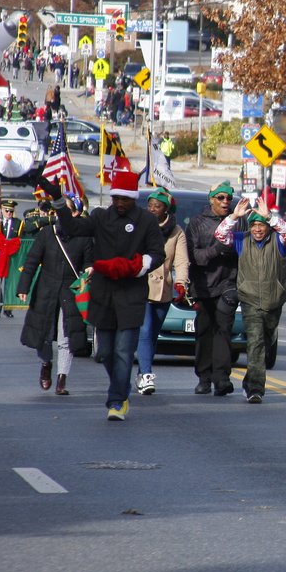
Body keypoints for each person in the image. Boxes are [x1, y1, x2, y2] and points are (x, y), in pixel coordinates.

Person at [40, 171, 165, 421]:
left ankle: (117, 400)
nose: (120, 203)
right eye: (116, 198)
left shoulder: (146, 221)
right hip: (104, 294)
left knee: (123, 351)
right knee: (106, 351)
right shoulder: (100, 216)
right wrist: (57, 200)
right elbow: (73, 227)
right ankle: (121, 387)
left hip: (131, 293)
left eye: (125, 199)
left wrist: (139, 266)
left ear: (134, 198)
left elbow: (157, 253)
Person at [215, 196, 286, 403]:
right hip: (249, 299)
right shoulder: (242, 240)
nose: (258, 229)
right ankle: (256, 390)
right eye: (255, 225)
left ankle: (250, 380)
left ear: (268, 227)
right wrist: (234, 216)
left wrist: (270, 216)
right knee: (255, 343)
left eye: (262, 225)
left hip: (273, 300)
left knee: (265, 345)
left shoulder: (278, 240)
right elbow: (220, 235)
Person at [17, 194, 93, 395]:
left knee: (66, 335)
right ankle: (46, 365)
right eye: (59, 211)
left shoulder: (84, 237)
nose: (61, 215)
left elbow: (88, 261)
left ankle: (62, 378)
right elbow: (32, 260)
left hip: (71, 291)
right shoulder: (47, 234)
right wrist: (23, 288)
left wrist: (89, 270)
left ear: (75, 213)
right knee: (43, 333)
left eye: (66, 210)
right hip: (46, 290)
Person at [186, 181, 240, 397]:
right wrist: (217, 250)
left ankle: (222, 379)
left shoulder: (238, 220)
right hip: (204, 286)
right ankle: (204, 377)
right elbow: (195, 256)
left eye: (228, 198)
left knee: (223, 330)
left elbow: (246, 248)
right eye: (221, 198)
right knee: (204, 332)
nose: (225, 202)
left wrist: (232, 253)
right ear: (211, 199)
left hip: (229, 284)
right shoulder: (198, 223)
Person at [135, 188, 189, 397]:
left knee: (153, 334)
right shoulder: (141, 227)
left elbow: (182, 261)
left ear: (166, 209)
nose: (152, 209)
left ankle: (142, 373)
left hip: (164, 291)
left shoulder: (177, 232)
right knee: (146, 331)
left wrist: (181, 283)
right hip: (141, 286)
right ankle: (147, 374)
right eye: (149, 206)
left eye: (157, 206)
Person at [0, 199, 22, 319]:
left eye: (11, 211)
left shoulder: (18, 223)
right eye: (6, 210)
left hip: (11, 258)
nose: (8, 213)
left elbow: (20, 239)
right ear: (1, 210)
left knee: (9, 284)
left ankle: (8, 308)